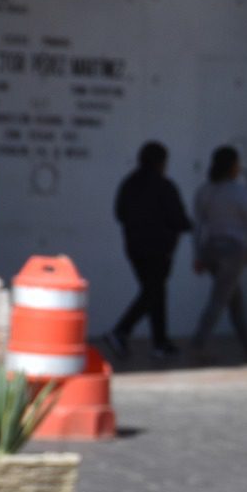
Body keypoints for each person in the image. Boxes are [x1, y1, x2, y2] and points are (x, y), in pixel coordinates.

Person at [189, 144, 247, 360]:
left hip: (211, 250)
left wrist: (197, 256)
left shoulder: (204, 191)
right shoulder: (238, 192)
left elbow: (197, 227)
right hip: (233, 252)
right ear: (233, 166)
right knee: (220, 299)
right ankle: (198, 343)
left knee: (234, 300)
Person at [102, 140, 191, 358]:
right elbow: (179, 219)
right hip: (160, 250)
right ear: (161, 162)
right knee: (153, 293)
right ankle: (121, 331)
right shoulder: (164, 186)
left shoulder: (129, 184)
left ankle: (160, 343)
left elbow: (119, 213)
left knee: (155, 292)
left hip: (135, 248)